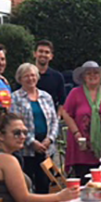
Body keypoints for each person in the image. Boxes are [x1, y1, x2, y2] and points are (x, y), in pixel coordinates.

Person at [62, 61, 101, 179]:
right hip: (83, 148)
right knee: (85, 183)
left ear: (100, 76)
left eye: (96, 73)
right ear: (83, 77)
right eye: (88, 73)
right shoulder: (75, 93)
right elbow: (66, 113)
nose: (92, 75)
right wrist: (76, 133)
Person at [11, 63, 60, 193]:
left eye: (32, 75)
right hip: (27, 148)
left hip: (46, 147)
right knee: (27, 184)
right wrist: (32, 142)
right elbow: (15, 125)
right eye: (25, 76)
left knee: (45, 182)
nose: (30, 78)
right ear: (20, 79)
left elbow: (55, 121)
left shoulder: (46, 96)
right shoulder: (15, 98)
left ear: (37, 77)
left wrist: (50, 139)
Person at [34, 40, 67, 109]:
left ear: (51, 56)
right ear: (35, 54)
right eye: (40, 51)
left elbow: (62, 101)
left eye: (47, 52)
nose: (43, 54)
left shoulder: (57, 77)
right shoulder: (25, 75)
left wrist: (58, 116)